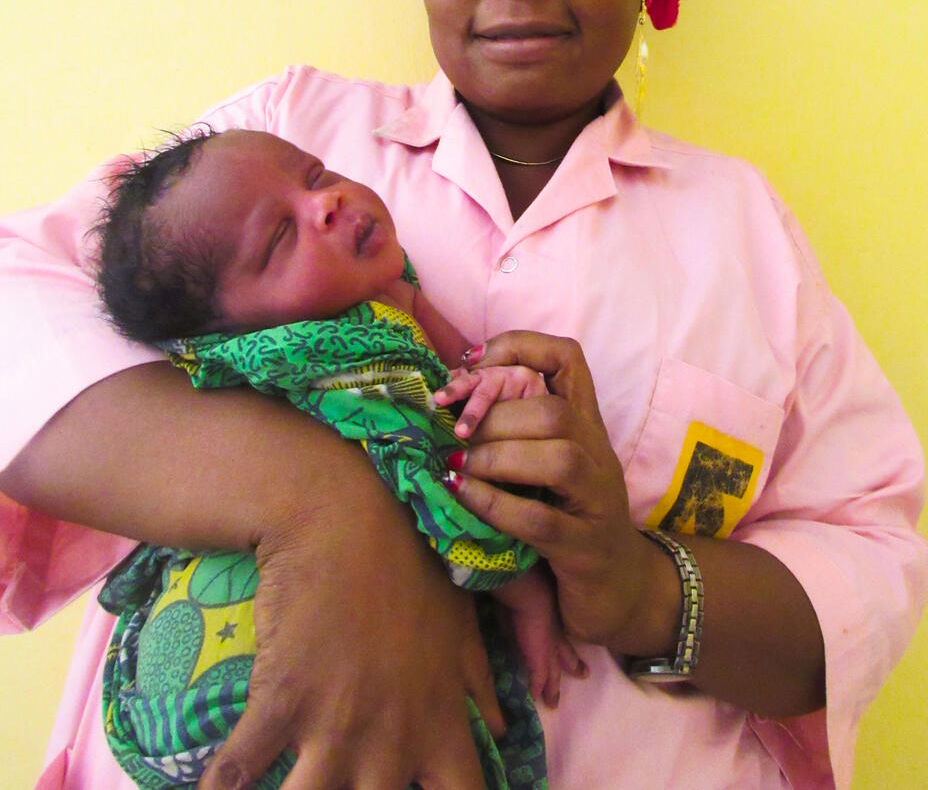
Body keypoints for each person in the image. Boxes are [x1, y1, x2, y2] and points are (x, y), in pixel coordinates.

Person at [0, 0, 925, 790]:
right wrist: (317, 503)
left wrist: (634, 585)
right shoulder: (282, 134)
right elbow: (18, 306)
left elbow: (867, 558)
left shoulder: (742, 228)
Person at [93, 127, 581, 790]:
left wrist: (498, 384)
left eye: (317, 175)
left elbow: (459, 381)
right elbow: (444, 478)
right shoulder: (301, 359)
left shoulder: (393, 293)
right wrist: (527, 594)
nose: (324, 205)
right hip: (242, 663)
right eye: (278, 239)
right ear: (232, 329)